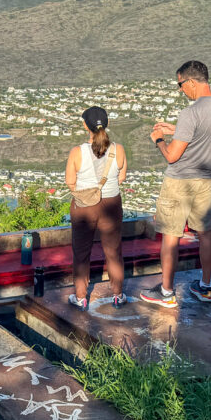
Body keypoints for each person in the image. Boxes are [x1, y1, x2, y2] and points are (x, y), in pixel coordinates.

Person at [141, 60, 211, 308]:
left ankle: (167, 292)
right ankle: (205, 287)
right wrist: (176, 129)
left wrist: (159, 139)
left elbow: (172, 155)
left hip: (180, 181)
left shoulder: (190, 113)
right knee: (205, 234)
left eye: (181, 85)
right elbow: (204, 134)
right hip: (207, 178)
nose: (181, 90)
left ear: (191, 81)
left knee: (171, 236)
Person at [65, 106, 128, 310]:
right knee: (113, 251)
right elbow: (122, 177)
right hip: (111, 204)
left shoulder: (77, 152)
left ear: (85, 125)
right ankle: (117, 294)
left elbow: (70, 182)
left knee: (81, 251)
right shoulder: (118, 149)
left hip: (84, 206)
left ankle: (81, 297)